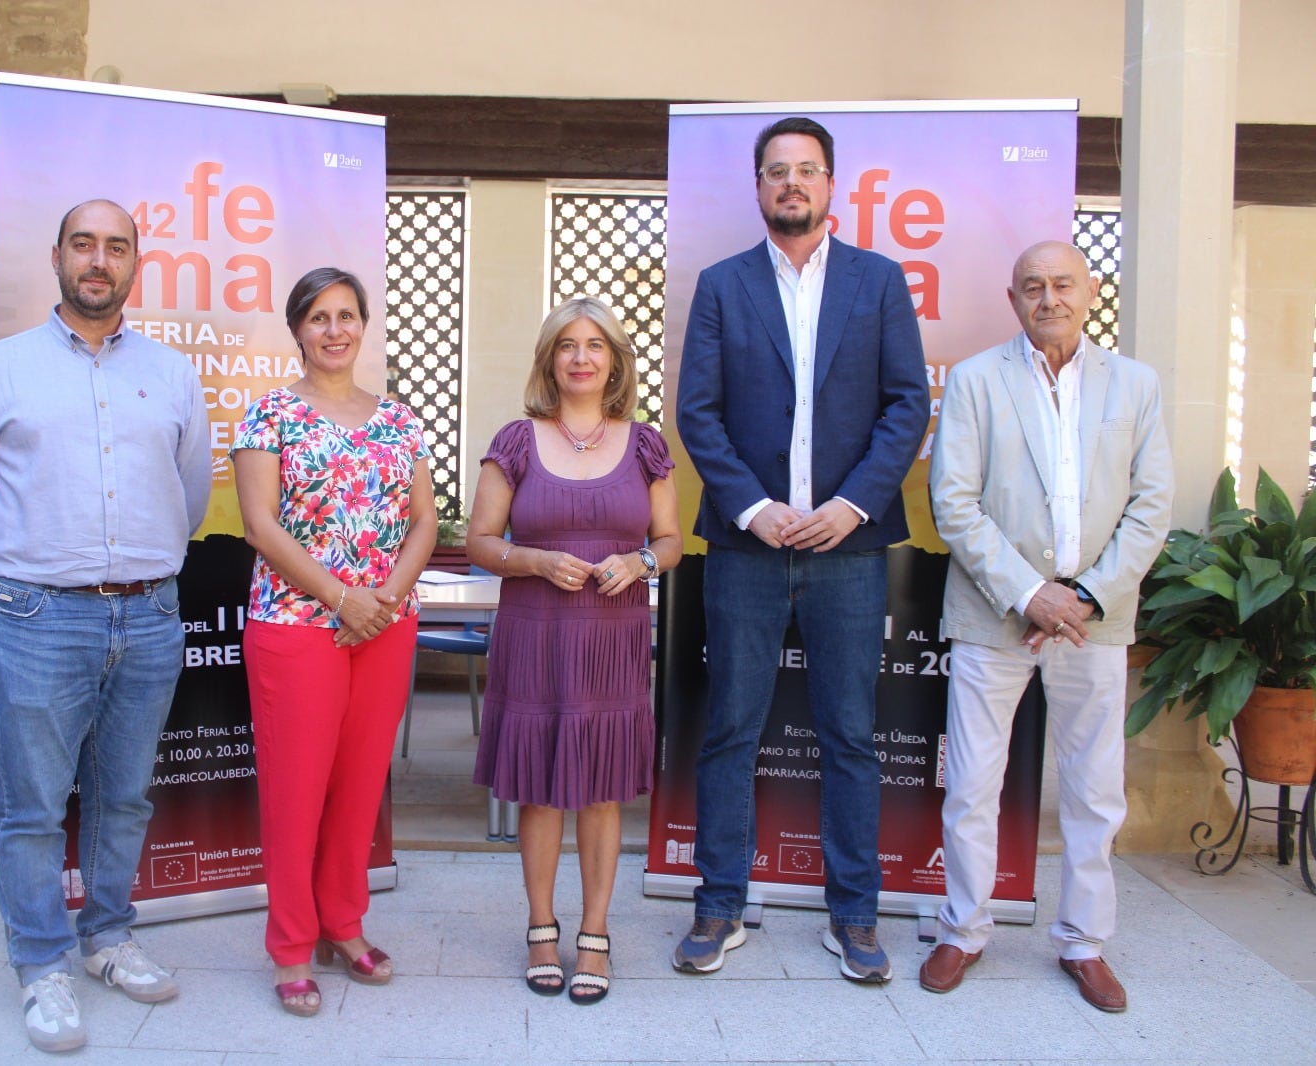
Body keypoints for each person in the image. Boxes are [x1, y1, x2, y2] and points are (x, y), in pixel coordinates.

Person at [0, 199, 210, 1053]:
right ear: (56, 255)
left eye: (116, 247)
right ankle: (43, 963)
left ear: (136, 263)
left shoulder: (170, 374)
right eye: (84, 244)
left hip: (151, 612)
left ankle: (108, 936)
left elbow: (190, 493)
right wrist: (29, 567)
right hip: (37, 615)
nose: (99, 260)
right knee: (31, 807)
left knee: (123, 794)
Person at [672, 116, 929, 982]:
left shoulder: (880, 281)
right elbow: (697, 412)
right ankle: (718, 907)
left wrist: (853, 505)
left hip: (849, 550)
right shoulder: (721, 284)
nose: (792, 183)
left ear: (832, 187)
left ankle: (854, 917)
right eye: (777, 171)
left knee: (851, 735)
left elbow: (906, 405)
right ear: (757, 187)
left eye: (807, 171)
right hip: (748, 547)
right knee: (731, 731)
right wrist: (752, 509)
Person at [924, 241, 1172, 1012]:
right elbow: (953, 502)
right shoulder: (973, 381)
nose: (1049, 297)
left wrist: (1087, 598)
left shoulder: (1134, 385)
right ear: (1012, 298)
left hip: (1093, 625)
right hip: (995, 616)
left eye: (1063, 283)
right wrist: (1031, 593)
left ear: (1089, 291)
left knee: (1096, 790)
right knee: (970, 784)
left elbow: (1152, 503)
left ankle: (1084, 942)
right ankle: (963, 930)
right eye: (1032, 285)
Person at [231, 266, 436, 1017]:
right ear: (297, 330)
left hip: (384, 624)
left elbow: (423, 519)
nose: (335, 329)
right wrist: (342, 597)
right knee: (296, 792)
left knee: (358, 788)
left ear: (364, 325)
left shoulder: (399, 420)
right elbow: (261, 526)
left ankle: (343, 926)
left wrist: (384, 599)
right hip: (297, 625)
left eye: (347, 315)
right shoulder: (268, 416)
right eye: (319, 317)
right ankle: (290, 944)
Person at [468, 297, 682, 1006]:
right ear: (549, 359)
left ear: (615, 360)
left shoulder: (647, 444)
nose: (582, 356)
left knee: (599, 788)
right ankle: (540, 926)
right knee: (539, 787)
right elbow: (481, 541)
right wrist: (531, 561)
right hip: (536, 634)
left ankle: (594, 931)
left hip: (612, 636)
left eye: (596, 345)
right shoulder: (516, 442)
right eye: (568, 344)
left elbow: (671, 540)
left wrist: (641, 566)